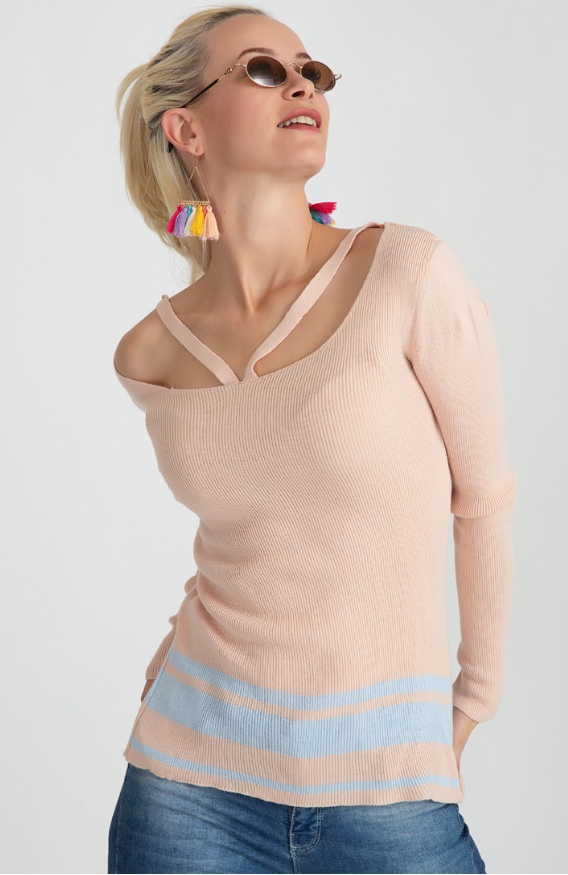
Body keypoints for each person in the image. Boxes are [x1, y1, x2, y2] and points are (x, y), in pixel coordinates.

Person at [108, 5, 518, 874]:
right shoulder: (152, 351)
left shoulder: (405, 272)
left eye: (311, 70)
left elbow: (483, 497)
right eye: (263, 69)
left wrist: (469, 705)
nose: (301, 84)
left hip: (391, 788)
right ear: (187, 129)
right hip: (187, 789)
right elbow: (254, 527)